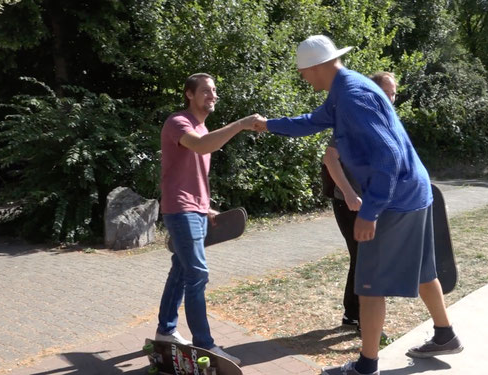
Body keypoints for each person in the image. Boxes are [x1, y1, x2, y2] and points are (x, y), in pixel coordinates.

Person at [253, 36, 462, 375]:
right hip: (412, 191)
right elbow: (312, 121)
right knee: (424, 271)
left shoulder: (352, 97)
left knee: (369, 285)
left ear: (318, 67)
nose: (304, 79)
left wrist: (369, 212)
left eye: (304, 73)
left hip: (394, 199)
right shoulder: (345, 89)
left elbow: (388, 157)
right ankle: (445, 335)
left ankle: (366, 367)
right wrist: (268, 124)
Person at [157, 72, 260, 365]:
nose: (212, 95)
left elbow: (195, 174)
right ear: (189, 94)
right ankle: (204, 344)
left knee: (181, 268)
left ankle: (166, 330)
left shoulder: (204, 128)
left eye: (215, 90)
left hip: (197, 209)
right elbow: (202, 146)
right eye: (206, 91)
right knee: (197, 274)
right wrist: (241, 124)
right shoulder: (178, 123)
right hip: (180, 209)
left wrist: (206, 206)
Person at [322, 72, 398, 331]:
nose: (391, 98)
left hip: (372, 204)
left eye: (394, 93)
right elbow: (330, 158)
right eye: (386, 92)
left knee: (363, 258)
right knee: (367, 258)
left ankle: (352, 314)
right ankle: (363, 319)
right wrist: (350, 193)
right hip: (349, 203)